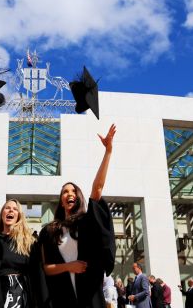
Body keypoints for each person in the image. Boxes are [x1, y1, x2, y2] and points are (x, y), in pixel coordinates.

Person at [38, 124, 116, 308]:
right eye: (65, 191)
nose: (69, 193)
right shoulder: (49, 230)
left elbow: (97, 189)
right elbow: (46, 269)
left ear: (78, 197)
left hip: (89, 296)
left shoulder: (86, 223)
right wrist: (69, 267)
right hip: (62, 298)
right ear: (61, 200)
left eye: (73, 190)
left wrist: (108, 151)